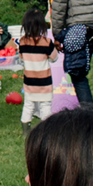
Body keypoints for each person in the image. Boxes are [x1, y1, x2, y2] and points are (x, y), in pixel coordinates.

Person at [17, 7, 57, 136]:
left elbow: (21, 57)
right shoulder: (46, 42)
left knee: (28, 105)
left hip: (29, 81)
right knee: (45, 105)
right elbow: (54, 57)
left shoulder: (22, 42)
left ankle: (25, 130)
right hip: (44, 82)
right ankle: (46, 130)